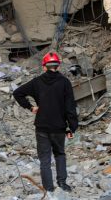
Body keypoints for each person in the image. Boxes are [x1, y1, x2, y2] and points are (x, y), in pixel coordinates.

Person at [13, 51, 78, 192]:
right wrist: (72, 128)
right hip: (59, 127)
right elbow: (70, 107)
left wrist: (30, 107)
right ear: (58, 66)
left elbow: (17, 93)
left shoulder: (36, 82)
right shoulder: (65, 83)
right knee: (60, 154)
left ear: (44, 67)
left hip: (42, 127)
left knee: (45, 160)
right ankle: (62, 184)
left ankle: (49, 189)